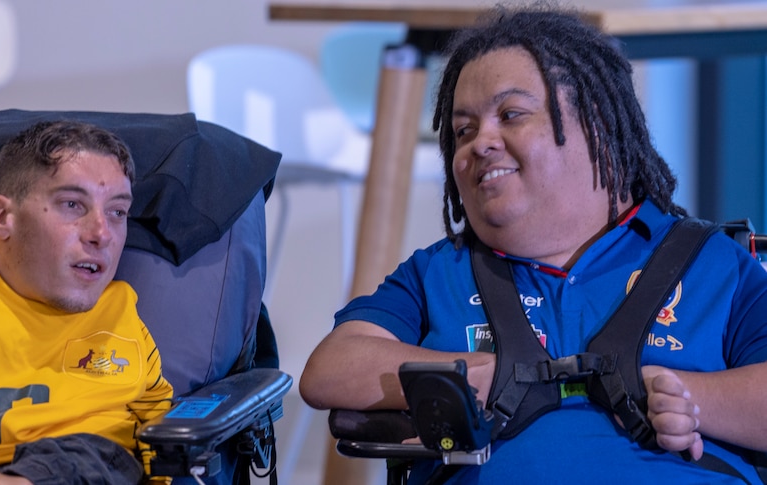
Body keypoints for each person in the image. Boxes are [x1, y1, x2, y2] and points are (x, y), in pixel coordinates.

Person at [300, 4, 767, 484]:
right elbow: (330, 370)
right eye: (462, 130)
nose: (480, 142)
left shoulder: (711, 263)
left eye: (511, 114)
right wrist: (474, 374)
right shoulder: (439, 274)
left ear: (598, 124)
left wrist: (692, 401)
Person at [0, 120, 174, 484]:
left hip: (79, 468)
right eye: (73, 204)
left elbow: (165, 427)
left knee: (103, 454)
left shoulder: (123, 315)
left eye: (118, 212)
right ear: (2, 217)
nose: (102, 234)